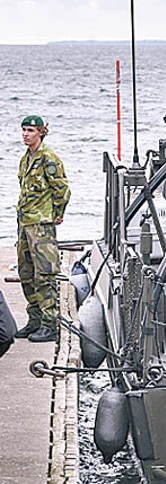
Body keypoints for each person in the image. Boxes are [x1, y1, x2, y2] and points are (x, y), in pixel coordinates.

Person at [16, 115, 71, 343]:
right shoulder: (26, 159)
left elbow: (62, 189)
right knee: (26, 273)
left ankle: (50, 324)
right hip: (25, 222)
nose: (25, 134)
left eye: (30, 130)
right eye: (23, 130)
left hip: (41, 225)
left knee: (45, 274)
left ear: (40, 132)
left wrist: (57, 214)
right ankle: (35, 319)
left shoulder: (48, 158)